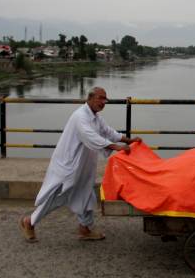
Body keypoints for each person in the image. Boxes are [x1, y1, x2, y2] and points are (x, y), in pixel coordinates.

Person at [19, 87, 141, 242]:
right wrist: (117, 147)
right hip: (69, 166)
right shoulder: (80, 117)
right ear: (90, 98)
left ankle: (85, 228)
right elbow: (91, 138)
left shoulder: (95, 117)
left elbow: (108, 132)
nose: (103, 102)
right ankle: (29, 222)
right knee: (57, 197)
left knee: (85, 194)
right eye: (100, 98)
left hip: (83, 166)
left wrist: (128, 140)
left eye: (105, 99)